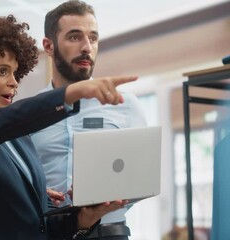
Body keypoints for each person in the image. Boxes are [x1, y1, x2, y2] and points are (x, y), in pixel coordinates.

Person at [0, 14, 138, 239]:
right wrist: (72, 92)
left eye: (15, 72)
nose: (14, 82)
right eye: (2, 71)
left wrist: (82, 217)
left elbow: (37, 226)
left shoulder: (18, 138)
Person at [31, 1, 147, 239]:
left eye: (93, 38)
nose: (86, 47)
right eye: (74, 37)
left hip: (109, 232)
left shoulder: (126, 105)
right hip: (48, 232)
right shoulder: (31, 112)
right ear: (48, 45)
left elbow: (143, 179)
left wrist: (109, 198)